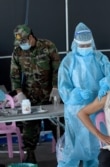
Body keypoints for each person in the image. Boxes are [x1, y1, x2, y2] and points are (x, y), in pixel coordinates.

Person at [57, 22, 110, 167]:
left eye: (87, 45)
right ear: (75, 44)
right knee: (72, 149)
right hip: (75, 112)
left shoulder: (99, 57)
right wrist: (77, 94)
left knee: (96, 146)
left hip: (97, 108)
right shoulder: (68, 61)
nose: (85, 48)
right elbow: (63, 89)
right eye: (82, 45)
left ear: (92, 43)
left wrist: (106, 84)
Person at [10, 24, 62, 164]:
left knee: (58, 126)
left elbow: (57, 69)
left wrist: (56, 88)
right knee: (29, 127)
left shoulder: (48, 46)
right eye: (20, 42)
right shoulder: (17, 52)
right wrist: (20, 94)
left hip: (50, 95)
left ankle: (63, 152)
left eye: (24, 41)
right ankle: (30, 154)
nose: (22, 45)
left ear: (31, 37)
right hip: (30, 97)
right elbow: (14, 75)